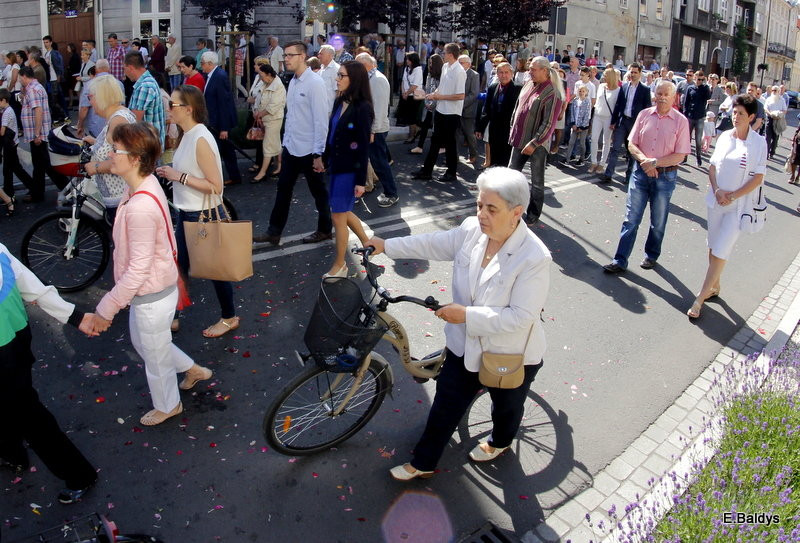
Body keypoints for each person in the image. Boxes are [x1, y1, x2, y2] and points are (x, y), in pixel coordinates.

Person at [363, 167, 550, 480]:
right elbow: (434, 243)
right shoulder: (471, 231)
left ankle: (500, 442)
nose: (481, 214)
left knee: (506, 408)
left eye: (491, 209)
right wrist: (387, 245)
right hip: (464, 346)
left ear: (516, 212)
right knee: (446, 405)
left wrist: (466, 315)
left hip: (510, 353)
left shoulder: (534, 257)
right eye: (479, 205)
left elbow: (520, 317)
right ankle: (423, 463)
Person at [91, 122, 212, 425]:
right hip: (155, 290)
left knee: (155, 357)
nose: (110, 155)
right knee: (146, 344)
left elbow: (137, 270)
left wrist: (106, 307)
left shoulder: (140, 205)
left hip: (151, 294)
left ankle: (169, 404)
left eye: (116, 150)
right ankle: (192, 369)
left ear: (134, 159)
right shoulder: (144, 185)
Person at [0, 242, 100, 503]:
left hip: (5, 354)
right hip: (16, 339)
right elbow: (32, 287)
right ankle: (11, 452)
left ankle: (79, 474)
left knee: (28, 414)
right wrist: (75, 316)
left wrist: (76, 317)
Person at [153, 86, 240, 340]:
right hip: (187, 213)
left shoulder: (200, 137)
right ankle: (174, 315)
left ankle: (229, 317)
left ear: (188, 109)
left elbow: (215, 185)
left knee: (214, 271)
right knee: (179, 267)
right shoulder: (187, 134)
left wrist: (177, 175)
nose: (168, 108)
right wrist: (171, 171)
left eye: (172, 105)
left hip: (202, 214)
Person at [687, 95, 767, 318]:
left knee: (722, 249)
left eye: (741, 113)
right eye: (734, 112)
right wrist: (717, 191)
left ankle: (700, 299)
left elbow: (758, 177)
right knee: (713, 247)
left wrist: (732, 196)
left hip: (738, 207)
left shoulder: (759, 143)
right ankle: (715, 286)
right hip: (716, 201)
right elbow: (713, 168)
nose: (736, 116)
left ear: (751, 117)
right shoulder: (723, 137)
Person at [602, 81, 690, 274]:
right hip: (640, 173)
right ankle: (620, 259)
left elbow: (680, 155)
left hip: (665, 177)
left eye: (666, 93)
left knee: (658, 221)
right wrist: (644, 161)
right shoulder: (644, 115)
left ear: (674, 97)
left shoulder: (681, 121)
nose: (662, 97)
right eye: (659, 93)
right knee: (631, 218)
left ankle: (651, 255)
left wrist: (655, 163)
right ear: (654, 95)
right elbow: (632, 143)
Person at [253, 41, 332, 246]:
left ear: (302, 56)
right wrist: (285, 144)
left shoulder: (315, 83)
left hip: (309, 150)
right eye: (285, 55)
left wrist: (318, 154)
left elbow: (321, 121)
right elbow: (293, 117)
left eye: (290, 55)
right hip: (292, 148)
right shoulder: (294, 81)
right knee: (283, 190)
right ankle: (274, 232)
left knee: (319, 192)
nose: (285, 59)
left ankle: (325, 229)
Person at [323, 61, 373, 278]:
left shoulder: (363, 108)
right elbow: (331, 134)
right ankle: (367, 242)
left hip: (349, 170)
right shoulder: (339, 101)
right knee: (341, 209)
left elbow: (362, 147)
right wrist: (323, 158)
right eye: (338, 75)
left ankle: (341, 265)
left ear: (354, 79)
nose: (337, 79)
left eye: (341, 75)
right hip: (336, 165)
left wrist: (360, 181)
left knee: (338, 215)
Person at [508, 57, 565, 224]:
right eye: (529, 69)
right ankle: (511, 207)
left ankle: (533, 213)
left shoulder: (553, 93)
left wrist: (534, 143)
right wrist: (513, 129)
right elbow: (518, 108)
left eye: (533, 69)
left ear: (545, 71)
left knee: (537, 182)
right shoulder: (528, 84)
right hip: (520, 140)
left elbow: (549, 123)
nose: (529, 72)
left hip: (537, 144)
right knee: (511, 175)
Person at [82, 74, 136, 218]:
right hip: (118, 196)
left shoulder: (118, 120)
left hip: (121, 197)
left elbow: (125, 160)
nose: (90, 102)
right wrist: (95, 142)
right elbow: (115, 146)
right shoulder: (117, 117)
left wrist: (96, 167)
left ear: (101, 97)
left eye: (90, 97)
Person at [412, 43, 467, 183]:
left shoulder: (460, 71)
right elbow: (442, 88)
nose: (442, 53)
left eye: (444, 52)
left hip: (452, 114)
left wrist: (439, 97)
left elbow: (460, 95)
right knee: (435, 141)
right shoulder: (445, 67)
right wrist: (432, 95)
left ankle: (451, 173)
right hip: (441, 110)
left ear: (451, 54)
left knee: (450, 144)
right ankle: (426, 171)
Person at [356, 53, 399, 208]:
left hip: (377, 129)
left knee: (379, 162)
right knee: (375, 161)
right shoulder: (370, 78)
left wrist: (372, 131)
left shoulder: (378, 80)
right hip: (371, 128)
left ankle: (391, 193)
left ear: (368, 64)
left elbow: (380, 109)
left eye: (359, 64)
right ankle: (383, 188)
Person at [601, 63, 651, 183]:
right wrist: (613, 121)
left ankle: (629, 176)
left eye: (635, 72)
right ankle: (608, 174)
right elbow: (618, 105)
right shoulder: (624, 87)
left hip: (635, 124)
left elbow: (647, 109)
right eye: (631, 72)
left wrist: (643, 126)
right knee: (615, 148)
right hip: (622, 121)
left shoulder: (644, 89)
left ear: (640, 74)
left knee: (631, 152)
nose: (633, 75)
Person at [199, 50, 241, 185]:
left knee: (225, 150)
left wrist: (224, 128)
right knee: (226, 150)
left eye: (203, 63)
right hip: (214, 120)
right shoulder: (212, 76)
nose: (201, 66)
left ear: (210, 64)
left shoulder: (219, 76)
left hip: (219, 122)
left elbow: (224, 103)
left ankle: (232, 177)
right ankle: (234, 176)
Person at [476, 61, 520, 171]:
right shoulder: (492, 88)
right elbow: (486, 109)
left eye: (506, 72)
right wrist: (480, 128)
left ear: (512, 74)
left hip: (510, 131)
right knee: (495, 161)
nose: (503, 75)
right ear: (497, 74)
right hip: (494, 130)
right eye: (500, 72)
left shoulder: (518, 89)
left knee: (506, 162)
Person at [251, 64, 286, 182]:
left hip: (274, 119)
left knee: (267, 145)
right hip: (264, 119)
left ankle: (262, 173)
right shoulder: (264, 82)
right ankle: (280, 167)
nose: (260, 77)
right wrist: (256, 112)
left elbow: (273, 106)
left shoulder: (278, 86)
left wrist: (260, 114)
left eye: (261, 75)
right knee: (275, 143)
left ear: (269, 74)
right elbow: (258, 99)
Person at [125, 52, 166, 146]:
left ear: (130, 67)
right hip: (150, 144)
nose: (124, 72)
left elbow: (134, 121)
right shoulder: (147, 82)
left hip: (147, 146)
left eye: (124, 68)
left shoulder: (145, 86)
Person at [589, 67, 620, 173]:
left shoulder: (618, 90)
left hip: (608, 118)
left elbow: (617, 108)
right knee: (593, 139)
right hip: (597, 116)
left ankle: (602, 164)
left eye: (605, 75)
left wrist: (614, 122)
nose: (603, 77)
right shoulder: (601, 86)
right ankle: (593, 162)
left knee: (606, 141)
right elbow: (597, 101)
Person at [409, 54, 442, 155]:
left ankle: (441, 146)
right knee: (424, 126)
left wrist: (432, 103)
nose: (430, 64)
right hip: (429, 104)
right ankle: (420, 146)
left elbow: (440, 91)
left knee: (437, 128)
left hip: (437, 105)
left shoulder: (441, 75)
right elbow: (427, 89)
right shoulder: (429, 74)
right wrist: (427, 102)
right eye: (429, 62)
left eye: (431, 62)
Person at [0, 88, 26, 210]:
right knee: (15, 168)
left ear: (3, 100)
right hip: (13, 143)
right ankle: (30, 187)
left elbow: (2, 132)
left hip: (9, 145)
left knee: (8, 170)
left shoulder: (6, 113)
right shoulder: (9, 110)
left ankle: (9, 194)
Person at [683, 70, 711, 166]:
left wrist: (705, 84)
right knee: (687, 138)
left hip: (700, 117)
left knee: (698, 139)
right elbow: (686, 103)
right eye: (697, 79)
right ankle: (685, 157)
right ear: (694, 78)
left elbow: (708, 96)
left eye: (700, 79)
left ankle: (698, 157)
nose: (698, 81)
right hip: (690, 116)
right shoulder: (690, 88)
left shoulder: (705, 88)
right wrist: (685, 114)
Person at [457, 55, 480, 165]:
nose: (460, 65)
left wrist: (461, 103)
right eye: (459, 62)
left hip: (467, 110)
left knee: (469, 134)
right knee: (455, 134)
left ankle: (473, 155)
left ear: (468, 64)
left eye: (462, 62)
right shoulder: (457, 74)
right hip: (456, 109)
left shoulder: (474, 75)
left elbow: (474, 94)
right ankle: (454, 156)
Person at [396, 52, 424, 143]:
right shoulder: (407, 69)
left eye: (408, 59)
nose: (406, 61)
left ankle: (411, 136)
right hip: (407, 95)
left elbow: (415, 85)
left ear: (413, 60)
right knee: (408, 116)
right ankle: (416, 131)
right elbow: (403, 81)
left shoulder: (418, 70)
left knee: (412, 116)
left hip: (414, 96)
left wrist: (407, 93)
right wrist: (403, 92)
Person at [563, 84, 591, 165]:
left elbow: (586, 115)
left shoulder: (587, 101)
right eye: (580, 91)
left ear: (586, 92)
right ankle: (567, 159)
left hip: (583, 127)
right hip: (575, 125)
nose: (581, 92)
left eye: (583, 91)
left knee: (582, 143)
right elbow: (572, 113)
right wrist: (573, 124)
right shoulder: (575, 100)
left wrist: (582, 126)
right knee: (571, 142)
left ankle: (582, 159)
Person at [764, 85, 787, 159]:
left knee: (775, 138)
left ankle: (772, 152)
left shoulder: (782, 100)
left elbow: (785, 110)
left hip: (778, 120)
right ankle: (766, 154)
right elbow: (765, 108)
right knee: (767, 137)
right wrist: (770, 113)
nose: (773, 92)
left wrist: (779, 114)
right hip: (770, 119)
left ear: (778, 92)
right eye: (772, 90)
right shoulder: (769, 99)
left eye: (775, 90)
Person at [318, 45, 340, 109]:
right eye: (319, 54)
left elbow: (338, 91)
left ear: (330, 55)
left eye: (321, 54)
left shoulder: (335, 69)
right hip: (321, 108)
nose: (318, 56)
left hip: (330, 109)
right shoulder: (322, 68)